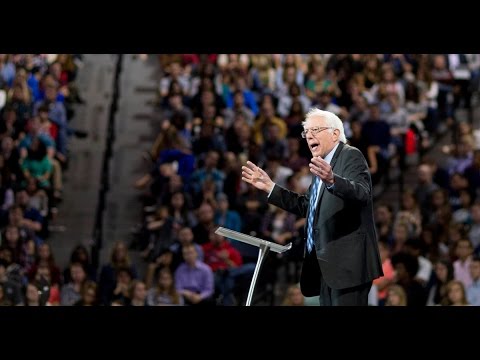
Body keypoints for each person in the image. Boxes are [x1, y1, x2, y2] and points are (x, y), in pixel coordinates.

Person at [241, 108, 383, 306]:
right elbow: (307, 206)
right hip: (325, 265)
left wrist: (333, 180)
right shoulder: (322, 166)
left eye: (315, 130)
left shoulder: (350, 155)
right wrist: (270, 187)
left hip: (348, 264)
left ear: (335, 133)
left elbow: (362, 193)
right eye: (306, 133)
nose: (309, 136)